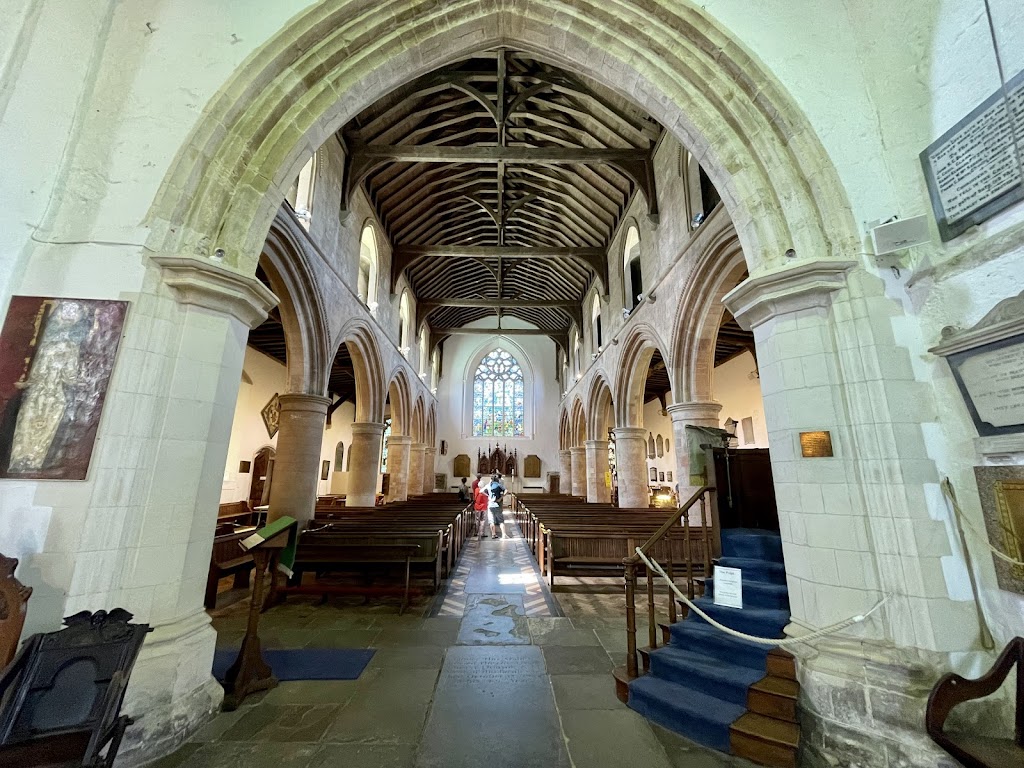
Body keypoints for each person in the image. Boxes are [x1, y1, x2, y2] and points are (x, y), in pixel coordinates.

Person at [486, 472, 507, 539]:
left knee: (491, 521)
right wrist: (501, 498)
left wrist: (488, 496)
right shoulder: (499, 484)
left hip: (490, 504)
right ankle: (503, 534)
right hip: (497, 504)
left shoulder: (489, 485)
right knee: (501, 521)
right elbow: (506, 490)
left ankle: (493, 534)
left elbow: (481, 491)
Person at [473, 475, 489, 539]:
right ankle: (482, 533)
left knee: (477, 520)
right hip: (484, 507)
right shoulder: (484, 491)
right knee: (483, 520)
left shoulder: (476, 490)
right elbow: (487, 497)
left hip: (477, 507)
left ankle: (476, 532)